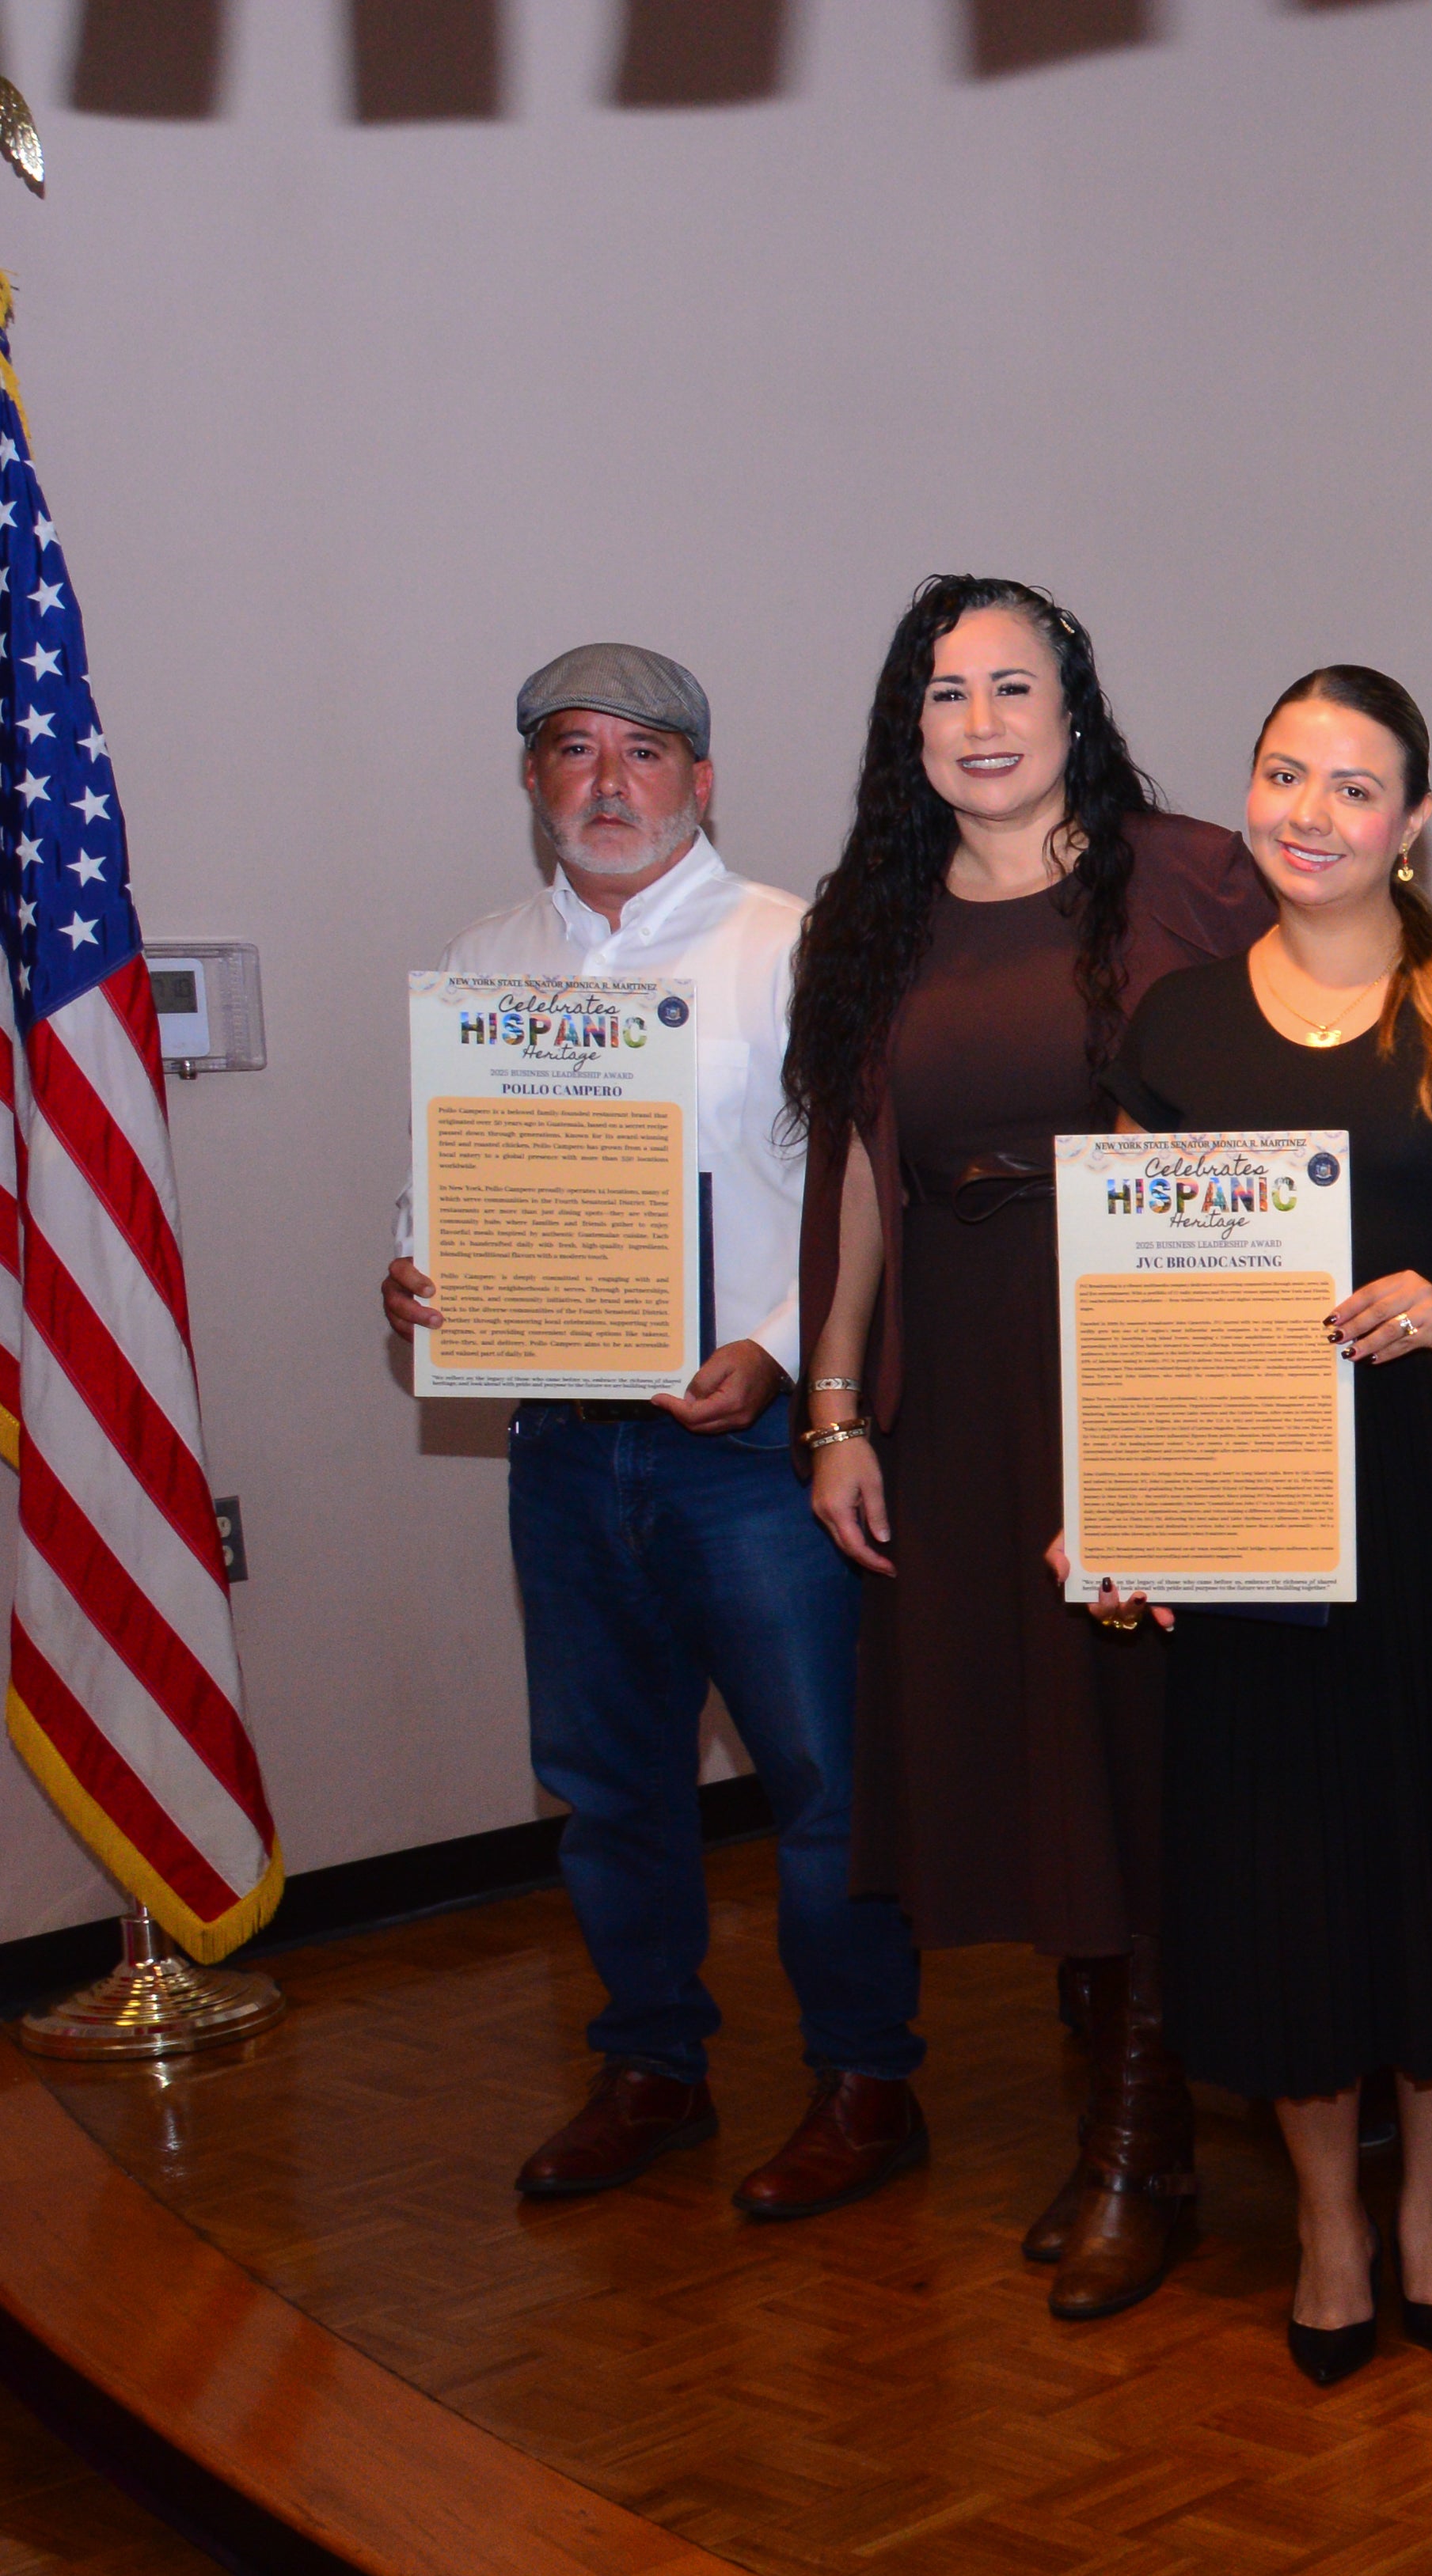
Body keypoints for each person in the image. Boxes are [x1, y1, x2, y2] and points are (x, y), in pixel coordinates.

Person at [1069, 668, 1432, 2386]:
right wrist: (1113, 1505)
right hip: (1252, 1522)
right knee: (1290, 1875)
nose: (1309, 812)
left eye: (1353, 785)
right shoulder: (1173, 1025)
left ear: (1416, 822)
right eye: (1282, 775)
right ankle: (1328, 2222)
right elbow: (1120, 1293)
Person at [386, 644, 928, 2207]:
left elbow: (865, 1195)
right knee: (607, 1781)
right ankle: (650, 2067)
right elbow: (443, 1186)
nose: (607, 781)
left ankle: (867, 2080)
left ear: (701, 776)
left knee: (822, 1783)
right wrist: (416, 1276)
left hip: (752, 1454)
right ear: (535, 780)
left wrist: (772, 1356)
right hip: (564, 1444)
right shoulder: (488, 954)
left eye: (643, 750)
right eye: (572, 749)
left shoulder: (799, 948)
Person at [785, 575, 1271, 2308]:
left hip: (1144, 1356)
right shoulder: (876, 915)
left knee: (1137, 1747)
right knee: (1039, 1750)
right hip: (964, 1379)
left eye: (1013, 685)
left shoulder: (1195, 875)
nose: (980, 722)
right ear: (907, 731)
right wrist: (833, 1407)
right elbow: (856, 1173)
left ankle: (1149, 2144)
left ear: (1076, 710)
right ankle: (1117, 2131)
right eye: (944, 694)